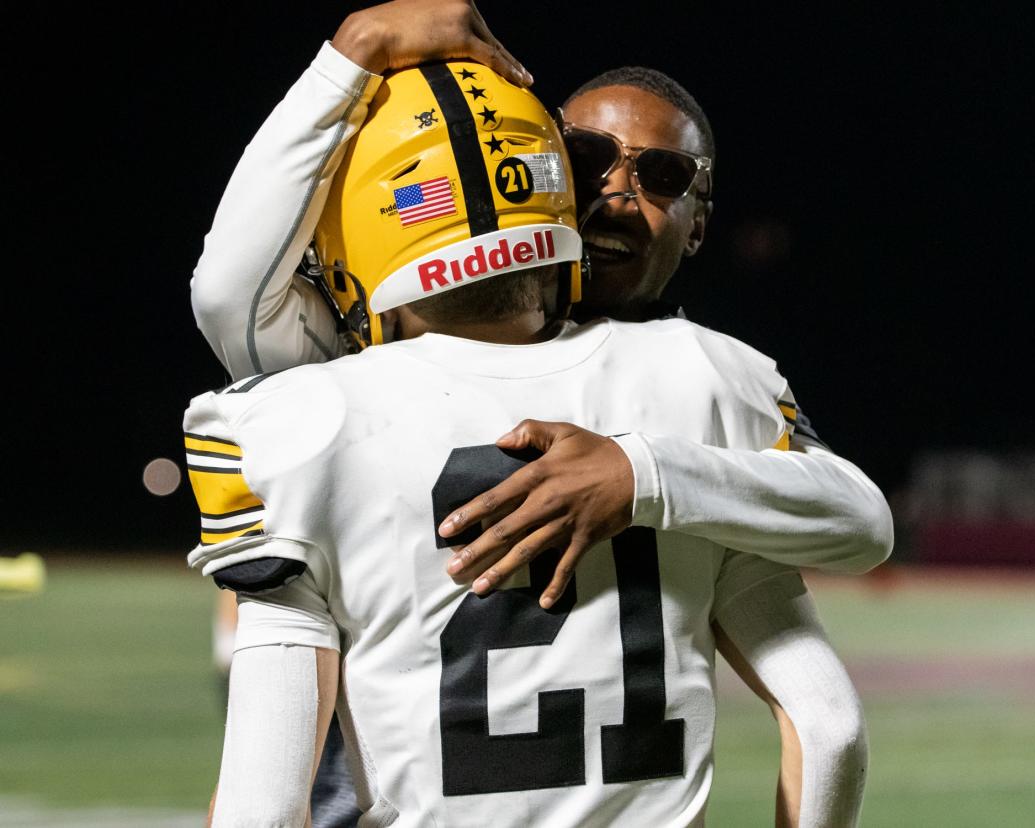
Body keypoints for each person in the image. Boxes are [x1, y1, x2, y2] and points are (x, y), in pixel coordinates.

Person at [191, 2, 889, 824]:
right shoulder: (707, 386)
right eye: (587, 157)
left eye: (661, 176)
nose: (618, 193)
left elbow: (229, 297)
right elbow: (831, 721)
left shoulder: (335, 397)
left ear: (701, 223)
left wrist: (637, 471)